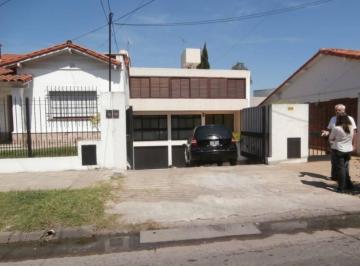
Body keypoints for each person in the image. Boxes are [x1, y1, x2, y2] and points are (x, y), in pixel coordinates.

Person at [321, 104, 357, 180]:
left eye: (339, 110)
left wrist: (353, 144)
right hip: (334, 145)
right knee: (334, 162)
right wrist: (326, 133)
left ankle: (345, 179)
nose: (337, 111)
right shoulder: (333, 119)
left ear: (344, 110)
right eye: (336, 110)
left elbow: (353, 132)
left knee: (345, 164)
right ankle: (334, 177)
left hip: (345, 145)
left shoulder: (350, 119)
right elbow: (330, 130)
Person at [329, 114, 355, 192]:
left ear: (339, 120)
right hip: (348, 150)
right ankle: (349, 185)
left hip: (338, 150)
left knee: (341, 169)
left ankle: (341, 188)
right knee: (345, 168)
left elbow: (331, 138)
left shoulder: (337, 128)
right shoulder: (351, 128)